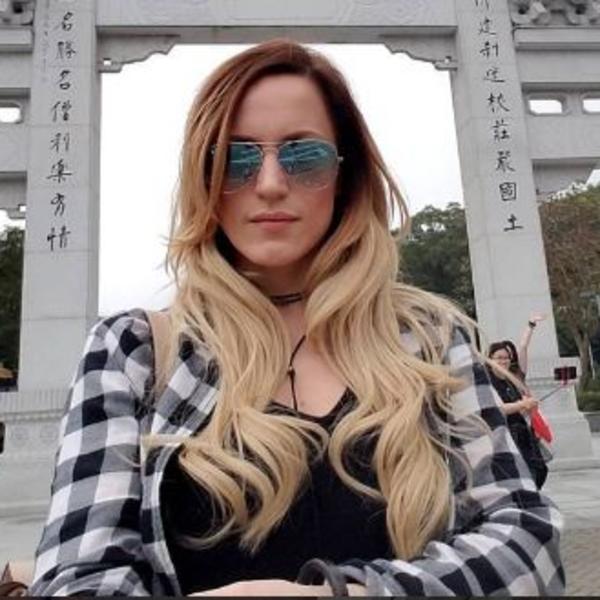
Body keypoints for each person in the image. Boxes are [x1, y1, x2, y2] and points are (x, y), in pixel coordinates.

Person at [29, 40, 563, 597]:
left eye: (304, 157)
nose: (269, 183)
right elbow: (77, 580)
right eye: (234, 159)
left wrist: (346, 594)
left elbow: (528, 543)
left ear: (346, 174)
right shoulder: (133, 352)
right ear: (202, 177)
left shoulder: (428, 339)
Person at [487, 339, 549, 489]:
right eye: (499, 358)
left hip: (523, 436)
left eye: (506, 358)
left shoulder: (511, 381)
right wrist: (521, 405)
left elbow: (517, 409)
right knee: (516, 479)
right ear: (490, 360)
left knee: (538, 471)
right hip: (503, 439)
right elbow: (495, 409)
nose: (503, 361)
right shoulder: (488, 383)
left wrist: (527, 407)